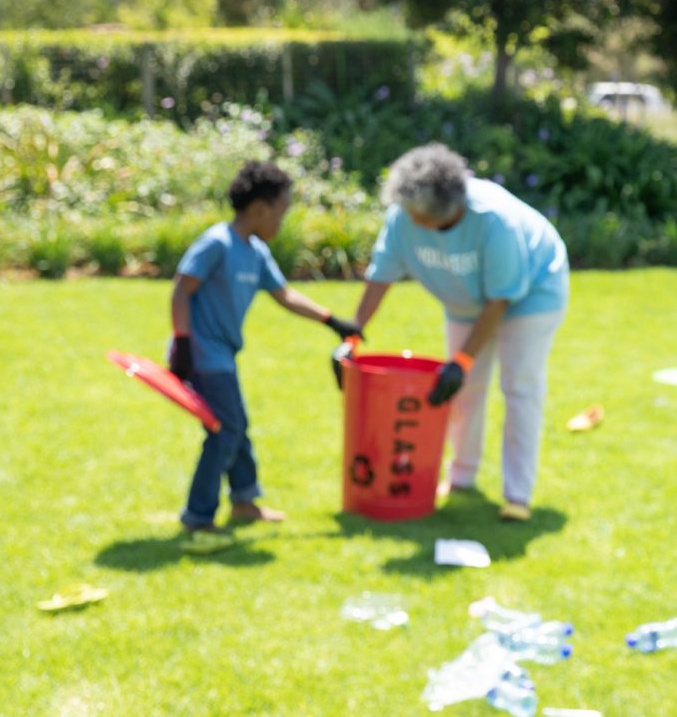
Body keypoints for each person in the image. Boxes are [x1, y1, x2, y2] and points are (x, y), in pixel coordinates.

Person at [341, 143, 568, 522]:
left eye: (418, 215)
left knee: (520, 388)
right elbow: (380, 277)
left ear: (447, 208)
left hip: (531, 297)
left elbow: (501, 300)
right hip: (464, 303)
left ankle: (518, 495)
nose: (411, 222)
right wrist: (351, 338)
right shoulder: (403, 219)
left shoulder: (495, 221)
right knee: (461, 391)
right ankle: (461, 478)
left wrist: (461, 360)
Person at [169, 160, 362, 548]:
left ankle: (244, 503)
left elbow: (285, 295)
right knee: (225, 430)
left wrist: (332, 321)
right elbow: (181, 290)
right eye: (281, 211)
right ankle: (198, 515)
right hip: (201, 353)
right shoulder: (217, 243)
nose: (282, 220)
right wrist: (183, 342)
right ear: (259, 208)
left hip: (223, 354)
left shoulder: (255, 251)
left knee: (235, 424)